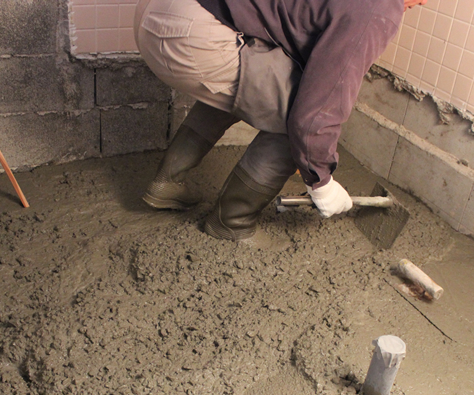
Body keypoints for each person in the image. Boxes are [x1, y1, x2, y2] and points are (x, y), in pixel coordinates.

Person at [134, 0, 428, 245]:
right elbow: (315, 113)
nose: (425, 2)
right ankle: (232, 222)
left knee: (257, 79)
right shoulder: (379, 8)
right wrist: (321, 181)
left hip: (161, 13)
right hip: (190, 35)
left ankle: (165, 184)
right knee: (296, 113)